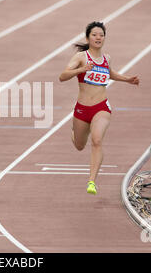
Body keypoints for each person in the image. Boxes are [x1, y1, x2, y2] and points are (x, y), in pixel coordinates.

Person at [59, 21, 139, 195]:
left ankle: (92, 181)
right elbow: (62, 76)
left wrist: (127, 79)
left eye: (101, 35)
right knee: (80, 145)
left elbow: (109, 73)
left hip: (101, 107)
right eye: (94, 34)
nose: (98, 37)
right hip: (82, 109)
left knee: (96, 140)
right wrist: (81, 69)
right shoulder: (81, 57)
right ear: (88, 38)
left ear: (104, 38)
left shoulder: (106, 58)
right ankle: (75, 133)